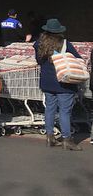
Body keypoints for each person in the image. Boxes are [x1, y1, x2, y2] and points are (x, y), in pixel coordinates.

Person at [35, 18, 82, 150]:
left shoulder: (39, 44)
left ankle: (50, 137)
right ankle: (67, 139)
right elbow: (78, 59)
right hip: (64, 82)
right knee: (65, 112)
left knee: (49, 109)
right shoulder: (65, 44)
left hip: (47, 82)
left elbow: (39, 61)